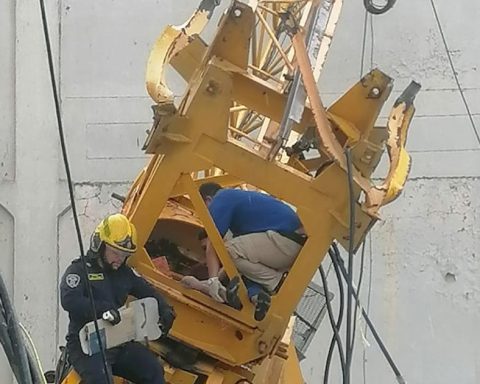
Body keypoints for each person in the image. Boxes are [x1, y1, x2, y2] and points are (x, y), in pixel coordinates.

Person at [60, 213, 176, 384]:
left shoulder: (125, 274)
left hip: (117, 341)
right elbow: (69, 300)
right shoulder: (79, 270)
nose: (119, 259)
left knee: (153, 370)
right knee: (102, 380)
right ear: (99, 245)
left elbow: (148, 291)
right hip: (86, 345)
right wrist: (103, 310)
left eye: (124, 255)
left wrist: (165, 309)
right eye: (115, 253)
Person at [198, 183, 306, 321]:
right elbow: (235, 265)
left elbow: (214, 242)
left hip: (284, 240)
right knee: (246, 269)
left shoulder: (222, 197)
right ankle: (257, 297)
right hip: (291, 248)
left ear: (208, 200)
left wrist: (212, 280)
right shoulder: (246, 212)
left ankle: (275, 281)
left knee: (229, 250)